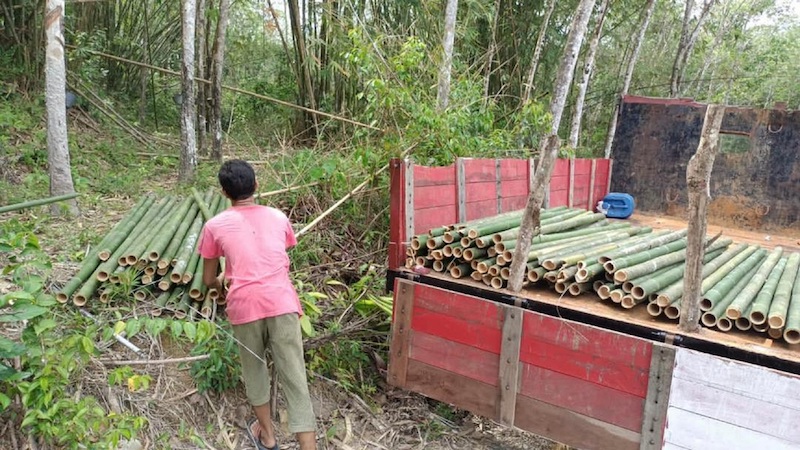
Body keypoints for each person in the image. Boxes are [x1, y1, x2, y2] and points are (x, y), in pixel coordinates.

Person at [198, 159, 317, 450]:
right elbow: (272, 253)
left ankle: (268, 436)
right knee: (295, 378)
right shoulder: (278, 217)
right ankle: (309, 447)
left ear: (224, 192)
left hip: (245, 307)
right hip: (283, 304)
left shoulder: (214, 225)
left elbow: (208, 279)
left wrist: (221, 285)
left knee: (255, 372)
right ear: (257, 186)